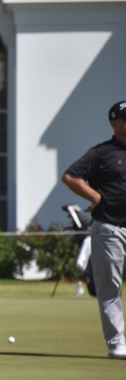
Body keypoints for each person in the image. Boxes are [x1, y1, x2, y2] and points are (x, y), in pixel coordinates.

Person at [62, 100, 126, 360]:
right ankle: (117, 344)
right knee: (110, 289)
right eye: (125, 118)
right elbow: (70, 176)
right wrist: (95, 197)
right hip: (109, 228)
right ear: (113, 123)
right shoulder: (101, 153)